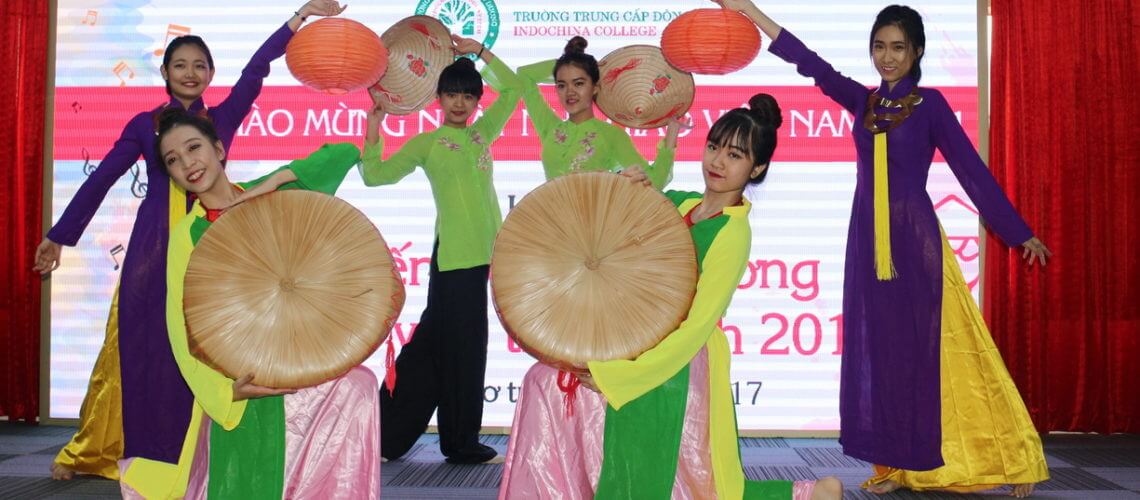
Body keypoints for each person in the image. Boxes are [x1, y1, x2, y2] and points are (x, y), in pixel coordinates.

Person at [712, 1, 1051, 497]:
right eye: (879, 47)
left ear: (916, 52)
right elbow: (811, 64)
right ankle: (895, 466)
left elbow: (970, 170)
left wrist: (1017, 232)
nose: (887, 57)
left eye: (897, 48)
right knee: (883, 356)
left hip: (915, 244)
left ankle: (1012, 457)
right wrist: (749, 10)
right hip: (868, 246)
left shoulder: (930, 105)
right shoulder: (865, 102)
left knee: (937, 352)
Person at [33, 0, 347, 480]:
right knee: (139, 351)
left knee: (207, 349)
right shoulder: (143, 126)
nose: (190, 73)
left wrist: (300, 16)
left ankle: (197, 451)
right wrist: (59, 236)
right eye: (180, 64)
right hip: (152, 253)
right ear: (164, 72)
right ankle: (125, 450)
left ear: (211, 74)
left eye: (200, 65)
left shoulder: (221, 119)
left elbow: (256, 70)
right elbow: (102, 178)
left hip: (215, 245)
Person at [499, 94, 843, 500]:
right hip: (634, 343)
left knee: (691, 486)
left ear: (757, 168)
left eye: (734, 155)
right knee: (544, 381)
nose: (718, 161)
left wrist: (618, 376)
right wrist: (623, 186)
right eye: (714, 147)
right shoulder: (678, 202)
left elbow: (695, 329)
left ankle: (810, 494)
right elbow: (613, 241)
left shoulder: (732, 233)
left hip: (677, 364)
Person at [118, 108, 378, 499]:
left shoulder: (269, 196)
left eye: (194, 148)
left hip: (297, 355)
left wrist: (273, 182)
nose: (187, 163)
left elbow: (344, 152)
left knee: (359, 386)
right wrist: (227, 393)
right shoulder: (188, 235)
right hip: (243, 372)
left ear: (219, 149)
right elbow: (180, 328)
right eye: (173, 159)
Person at [360, 35, 521, 464]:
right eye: (452, 94)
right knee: (458, 352)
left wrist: (480, 52)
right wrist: (373, 129)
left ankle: (386, 434)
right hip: (452, 262)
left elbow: (514, 88)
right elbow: (374, 176)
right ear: (438, 98)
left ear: (477, 102)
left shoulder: (482, 134)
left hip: (483, 259)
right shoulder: (427, 143)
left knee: (438, 349)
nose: (459, 103)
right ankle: (454, 442)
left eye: (468, 95)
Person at [516, 36, 684, 187]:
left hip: (596, 212)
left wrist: (671, 137)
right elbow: (524, 75)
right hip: (550, 211)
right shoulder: (550, 128)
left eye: (579, 83)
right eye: (562, 85)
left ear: (595, 87)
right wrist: (568, 61)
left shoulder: (611, 135)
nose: (570, 92)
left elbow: (653, 182)